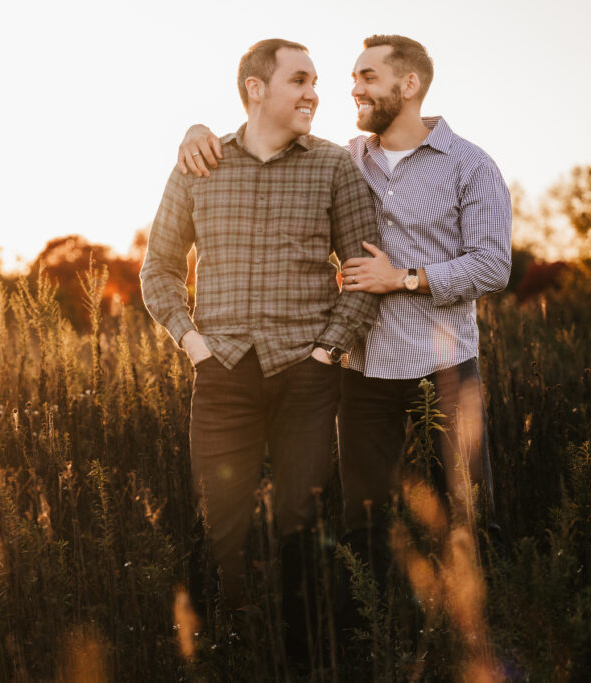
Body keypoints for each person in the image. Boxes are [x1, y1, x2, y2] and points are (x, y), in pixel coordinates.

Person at [176, 35, 512, 565]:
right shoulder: (349, 159)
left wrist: (402, 278)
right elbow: (273, 134)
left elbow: (493, 266)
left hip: (445, 369)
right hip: (364, 370)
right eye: (353, 78)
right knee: (366, 524)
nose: (352, 88)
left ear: (409, 84)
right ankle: (374, 636)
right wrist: (196, 132)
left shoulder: (470, 166)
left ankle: (482, 631)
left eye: (368, 78)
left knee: (468, 514)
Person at [139, 38, 380, 652]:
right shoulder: (199, 164)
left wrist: (329, 350)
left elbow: (365, 269)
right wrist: (192, 343)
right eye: (299, 80)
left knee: (302, 520)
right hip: (222, 373)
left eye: (315, 81)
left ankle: (301, 655)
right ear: (255, 88)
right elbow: (159, 267)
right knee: (220, 522)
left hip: (307, 374)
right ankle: (224, 647)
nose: (313, 93)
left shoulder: (333, 167)